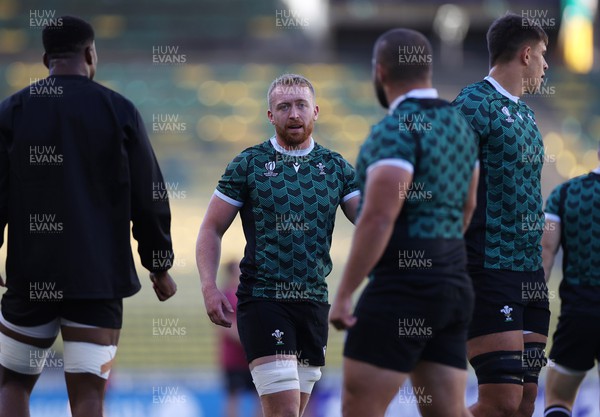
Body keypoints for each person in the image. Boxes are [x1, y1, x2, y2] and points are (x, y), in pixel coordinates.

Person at [0, 16, 177, 417]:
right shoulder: (119, 111)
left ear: (46, 58)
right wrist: (159, 265)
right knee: (88, 396)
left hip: (31, 276)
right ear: (90, 53)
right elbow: (149, 197)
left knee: (11, 383)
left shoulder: (11, 110)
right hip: (97, 278)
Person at [329, 28, 479, 417]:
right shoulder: (460, 126)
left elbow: (378, 216)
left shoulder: (394, 128)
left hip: (402, 288)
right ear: (427, 68)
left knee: (360, 408)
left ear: (380, 71)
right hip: (453, 284)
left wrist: (345, 293)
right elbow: (468, 205)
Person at [196, 73, 359, 417]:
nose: (294, 114)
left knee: (293, 412)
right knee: (284, 411)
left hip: (314, 302)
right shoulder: (249, 164)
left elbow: (372, 220)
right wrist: (209, 287)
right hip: (264, 298)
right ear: (271, 116)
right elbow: (211, 227)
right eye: (284, 107)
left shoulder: (336, 168)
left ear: (316, 111)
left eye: (301, 105)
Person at [452, 13, 550, 417]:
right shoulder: (473, 103)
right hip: (489, 268)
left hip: (529, 274)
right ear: (525, 54)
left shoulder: (526, 115)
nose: (547, 66)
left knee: (526, 401)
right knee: (501, 400)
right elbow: (446, 179)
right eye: (543, 56)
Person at [541, 147, 600, 417]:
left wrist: (532, 310)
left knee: (558, 399)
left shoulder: (565, 194)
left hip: (579, 315)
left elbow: (546, 254)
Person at [219, 260, 261, 417]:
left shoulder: (248, 293)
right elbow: (226, 327)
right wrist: (250, 339)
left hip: (252, 357)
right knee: (233, 396)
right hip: (234, 359)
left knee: (261, 396)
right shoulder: (225, 295)